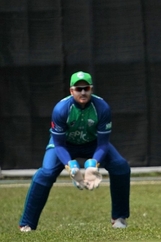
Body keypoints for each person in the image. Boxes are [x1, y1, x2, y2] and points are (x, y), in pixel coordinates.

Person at [19, 71, 131, 231]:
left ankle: (118, 218)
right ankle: (27, 224)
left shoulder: (102, 108)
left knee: (121, 166)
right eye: (78, 89)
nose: (83, 92)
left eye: (86, 88)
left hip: (93, 143)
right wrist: (71, 166)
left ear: (92, 89)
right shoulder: (61, 109)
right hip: (65, 145)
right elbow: (58, 144)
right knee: (45, 173)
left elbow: (103, 143)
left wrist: (93, 165)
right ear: (71, 91)